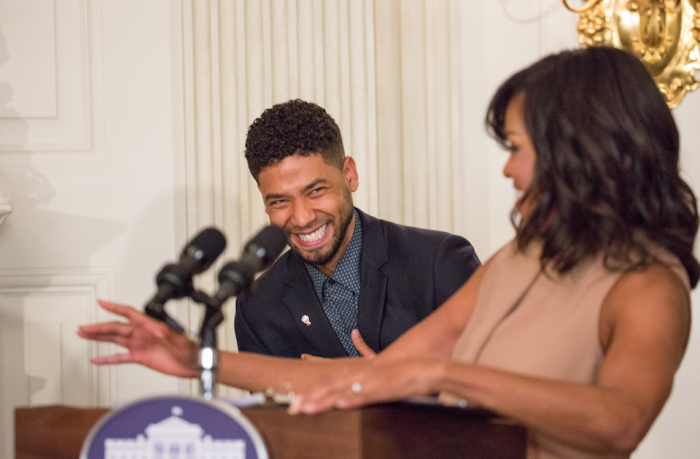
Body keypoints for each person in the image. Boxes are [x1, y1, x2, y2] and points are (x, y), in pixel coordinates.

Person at [78, 46, 697, 458]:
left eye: (516, 145)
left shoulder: (650, 286)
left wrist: (439, 372)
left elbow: (620, 419)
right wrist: (197, 359)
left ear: (577, 150)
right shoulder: (519, 257)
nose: (508, 167)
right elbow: (369, 378)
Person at [234, 99, 480, 357]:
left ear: (350, 174)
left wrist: (383, 381)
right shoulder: (258, 308)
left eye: (316, 191)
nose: (302, 218)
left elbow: (495, 376)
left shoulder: (440, 263)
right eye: (280, 201)